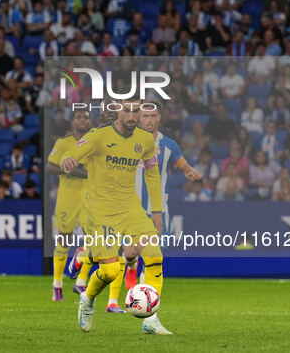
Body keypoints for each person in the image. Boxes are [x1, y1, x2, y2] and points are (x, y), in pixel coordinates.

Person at [60, 93, 170, 334]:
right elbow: (72, 154)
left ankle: (150, 319)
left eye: (136, 111)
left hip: (130, 208)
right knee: (109, 271)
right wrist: (68, 160)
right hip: (100, 211)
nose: (132, 116)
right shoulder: (99, 136)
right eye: (127, 110)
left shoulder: (145, 140)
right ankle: (87, 300)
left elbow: (152, 174)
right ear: (117, 110)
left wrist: (157, 211)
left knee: (154, 255)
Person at [125, 101, 201, 314]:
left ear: (159, 118)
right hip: (132, 210)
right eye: (145, 116)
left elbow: (183, 165)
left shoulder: (169, 145)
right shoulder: (129, 141)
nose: (149, 120)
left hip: (159, 212)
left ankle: (148, 312)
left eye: (153, 116)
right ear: (139, 118)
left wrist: (191, 172)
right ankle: (130, 266)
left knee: (154, 258)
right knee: (131, 253)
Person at [46, 110, 92, 302]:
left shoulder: (95, 141)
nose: (83, 120)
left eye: (86, 117)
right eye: (79, 117)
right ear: (73, 122)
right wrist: (73, 170)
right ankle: (57, 284)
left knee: (94, 239)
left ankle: (81, 282)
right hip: (67, 197)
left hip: (90, 198)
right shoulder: (63, 143)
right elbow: (49, 167)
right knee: (64, 239)